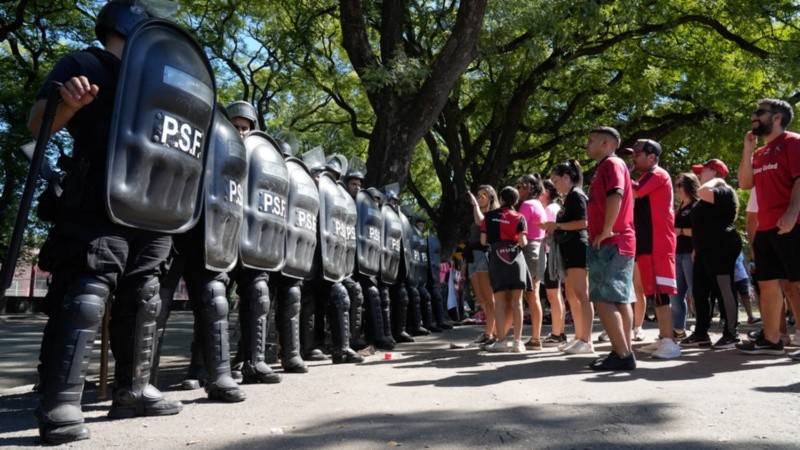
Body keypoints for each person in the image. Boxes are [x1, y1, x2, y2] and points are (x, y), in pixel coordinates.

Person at [28, 2, 186, 443]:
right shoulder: (84, 63)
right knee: (87, 294)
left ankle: (133, 389)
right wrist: (69, 104)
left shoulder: (166, 78)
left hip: (155, 205)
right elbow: (38, 123)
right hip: (97, 198)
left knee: (144, 296)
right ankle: (60, 399)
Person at [737, 98, 800, 356]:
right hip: (766, 228)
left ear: (777, 117)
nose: (754, 116)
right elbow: (743, 183)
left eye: (759, 112)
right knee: (768, 283)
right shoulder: (761, 151)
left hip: (792, 224)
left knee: (797, 283)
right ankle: (772, 339)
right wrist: (748, 151)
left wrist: (792, 213)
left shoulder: (793, 142)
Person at [583, 126, 637, 371]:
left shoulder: (611, 165)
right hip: (617, 241)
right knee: (619, 299)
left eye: (591, 140)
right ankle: (623, 350)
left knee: (604, 298)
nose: (587, 144)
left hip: (611, 242)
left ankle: (622, 354)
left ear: (605, 143)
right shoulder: (608, 166)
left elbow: (616, 194)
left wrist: (606, 230)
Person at [679, 159, 742, 349]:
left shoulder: (724, 191)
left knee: (724, 290)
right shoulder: (704, 199)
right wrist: (696, 248)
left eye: (703, 171)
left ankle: (731, 333)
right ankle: (701, 333)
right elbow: (700, 225)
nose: (699, 175)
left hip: (722, 247)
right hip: (703, 249)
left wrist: (716, 181)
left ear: (714, 173)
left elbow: (701, 191)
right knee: (699, 291)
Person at [628, 139, 681, 360]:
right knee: (653, 292)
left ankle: (670, 342)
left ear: (652, 157)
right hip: (648, 242)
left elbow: (635, 193)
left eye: (638, 154)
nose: (633, 158)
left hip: (658, 241)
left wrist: (620, 171)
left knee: (661, 292)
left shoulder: (657, 174)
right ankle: (663, 337)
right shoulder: (645, 176)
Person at [538, 160, 593, 355]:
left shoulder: (577, 195)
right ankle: (579, 337)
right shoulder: (570, 196)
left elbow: (584, 222)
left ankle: (586, 339)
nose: (555, 185)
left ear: (567, 177)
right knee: (572, 295)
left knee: (581, 295)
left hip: (578, 246)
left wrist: (557, 226)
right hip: (568, 249)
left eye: (556, 180)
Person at [481, 187, 529, 352]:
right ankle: (518, 342)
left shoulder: (488, 217)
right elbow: (523, 243)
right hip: (516, 259)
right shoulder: (520, 217)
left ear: (500, 199)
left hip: (497, 258)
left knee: (499, 303)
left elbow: (482, 241)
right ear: (515, 201)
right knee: (517, 302)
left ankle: (501, 341)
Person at [466, 186, 500, 347]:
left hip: (484, 254)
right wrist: (464, 264)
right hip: (472, 256)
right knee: (480, 298)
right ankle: (490, 331)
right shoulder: (477, 212)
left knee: (488, 297)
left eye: (483, 196)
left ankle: (490, 333)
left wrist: (474, 204)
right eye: (478, 196)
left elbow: (481, 222)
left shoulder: (492, 214)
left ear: (491, 197)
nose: (479, 199)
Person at [516, 174, 546, 350]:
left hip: (528, 249)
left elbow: (516, 228)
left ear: (528, 187)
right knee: (533, 295)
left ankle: (510, 337)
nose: (518, 190)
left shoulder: (527, 205)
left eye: (520, 186)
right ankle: (535, 338)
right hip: (539, 250)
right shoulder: (539, 205)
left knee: (520, 295)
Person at [670, 173, 700, 338]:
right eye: (676, 185)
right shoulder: (680, 207)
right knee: (676, 294)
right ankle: (679, 329)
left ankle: (700, 329)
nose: (677, 189)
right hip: (677, 253)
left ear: (689, 186)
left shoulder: (696, 206)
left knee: (695, 292)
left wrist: (680, 231)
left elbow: (701, 232)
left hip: (690, 253)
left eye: (680, 185)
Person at [538, 180, 567, 347]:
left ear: (548, 192)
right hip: (555, 254)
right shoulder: (554, 207)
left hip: (552, 254)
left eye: (541, 190)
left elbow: (547, 232)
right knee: (557, 296)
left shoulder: (550, 209)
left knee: (553, 294)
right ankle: (559, 331)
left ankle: (557, 333)